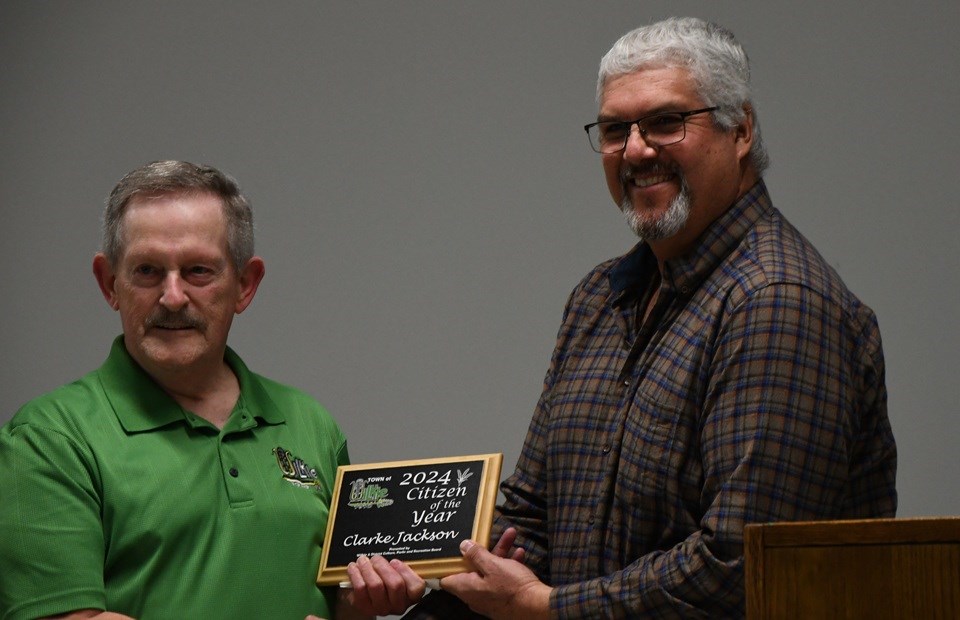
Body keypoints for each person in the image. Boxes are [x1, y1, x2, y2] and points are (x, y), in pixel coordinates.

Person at [351, 16, 898, 619]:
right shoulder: (599, 299)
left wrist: (546, 608)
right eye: (615, 130)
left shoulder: (778, 301)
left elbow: (738, 566)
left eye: (666, 121)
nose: (636, 150)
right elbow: (532, 519)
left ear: (740, 130)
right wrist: (443, 579)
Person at [0, 161, 373, 620]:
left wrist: (361, 605)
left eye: (198, 271)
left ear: (245, 285)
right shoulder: (48, 439)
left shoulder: (312, 424)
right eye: (147, 271)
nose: (172, 297)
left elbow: (340, 606)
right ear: (109, 283)